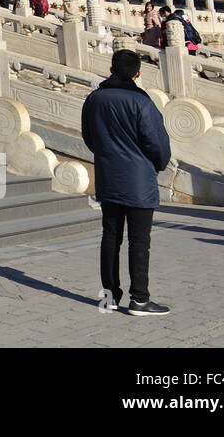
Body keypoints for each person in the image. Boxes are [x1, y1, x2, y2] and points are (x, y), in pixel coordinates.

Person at [81, 49, 172, 317]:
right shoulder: (141, 102)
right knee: (139, 240)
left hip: (109, 176)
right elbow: (156, 142)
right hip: (139, 179)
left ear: (111, 69)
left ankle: (109, 297)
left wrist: (107, 155)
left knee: (110, 237)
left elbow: (89, 136)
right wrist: (158, 162)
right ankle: (140, 300)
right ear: (137, 73)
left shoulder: (94, 99)